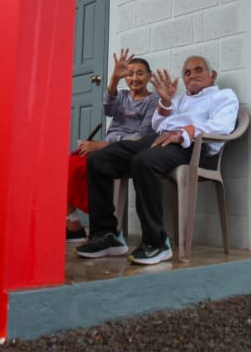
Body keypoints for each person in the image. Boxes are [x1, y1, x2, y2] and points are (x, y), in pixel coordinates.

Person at [77, 55, 239, 265]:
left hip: (192, 146)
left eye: (198, 70)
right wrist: (164, 102)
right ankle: (106, 235)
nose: (192, 75)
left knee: (144, 161)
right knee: (99, 159)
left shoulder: (223, 96)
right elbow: (157, 125)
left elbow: (223, 125)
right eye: (187, 73)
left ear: (212, 75)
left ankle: (156, 241)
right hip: (160, 139)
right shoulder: (180, 99)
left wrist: (184, 132)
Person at [65, 50, 158, 244]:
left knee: (89, 163)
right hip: (107, 148)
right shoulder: (122, 95)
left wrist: (102, 145)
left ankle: (89, 226)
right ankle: (73, 225)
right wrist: (114, 79)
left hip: (128, 151)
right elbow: (108, 110)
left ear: (149, 76)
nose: (134, 78)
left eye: (140, 73)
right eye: (130, 73)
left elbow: (141, 136)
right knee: (67, 165)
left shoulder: (153, 101)